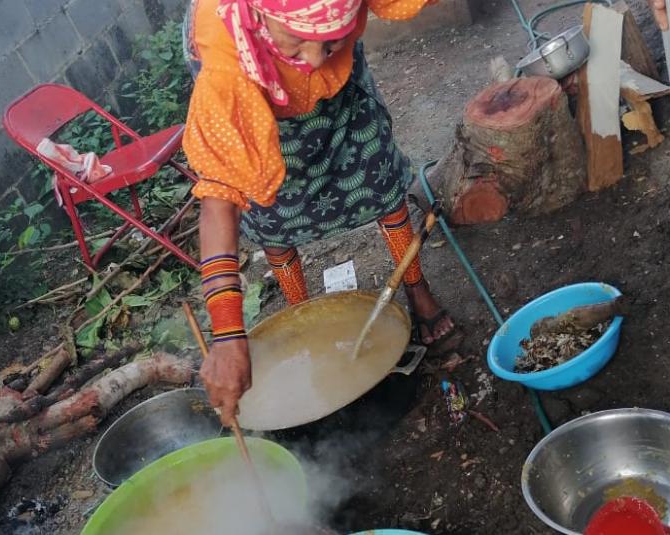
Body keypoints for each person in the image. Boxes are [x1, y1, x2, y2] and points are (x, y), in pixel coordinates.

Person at [182, 0, 462, 426]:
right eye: (296, 44)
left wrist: (320, 45)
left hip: (340, 100)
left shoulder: (326, 42)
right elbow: (220, 196)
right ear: (259, 16)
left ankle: (416, 287)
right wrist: (227, 334)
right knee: (273, 212)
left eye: (330, 45)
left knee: (376, 176)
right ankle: (302, 317)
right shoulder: (225, 66)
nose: (313, 62)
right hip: (252, 95)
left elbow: (319, 49)